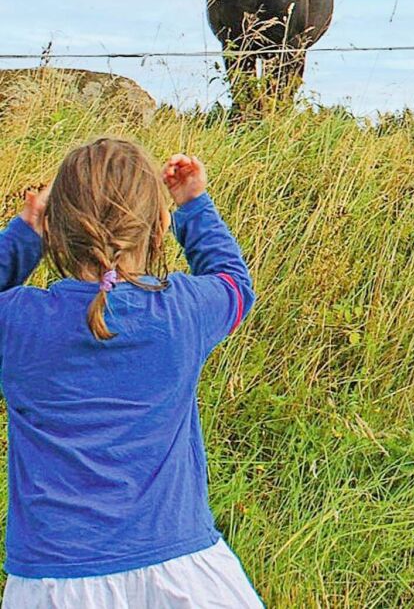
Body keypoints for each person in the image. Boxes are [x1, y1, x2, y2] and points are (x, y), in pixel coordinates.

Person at [0, 138, 262, 608]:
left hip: (54, 583)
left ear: (56, 231)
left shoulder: (17, 321)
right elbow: (233, 283)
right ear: (158, 228)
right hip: (184, 573)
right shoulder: (180, 311)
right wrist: (194, 207)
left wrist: (25, 233)